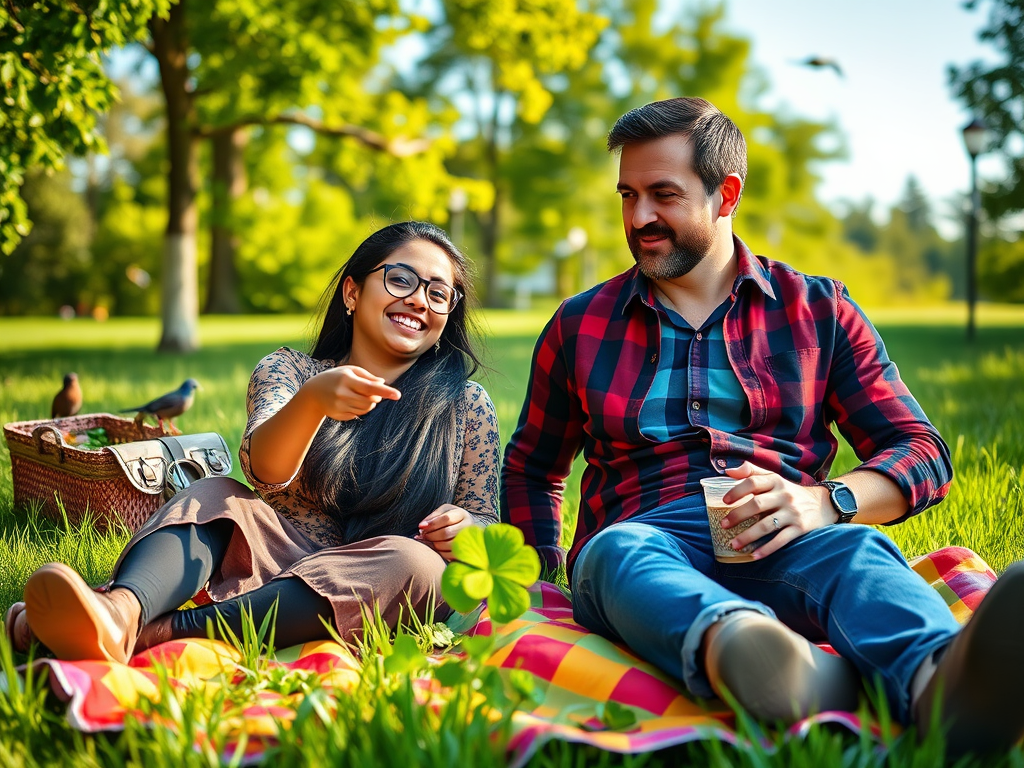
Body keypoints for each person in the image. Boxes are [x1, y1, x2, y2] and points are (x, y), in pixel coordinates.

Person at [500, 97, 1024, 756]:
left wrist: (827, 500)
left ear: (727, 195)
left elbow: (921, 452)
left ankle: (942, 692)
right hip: (641, 546)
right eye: (627, 195)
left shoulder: (819, 310)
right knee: (613, 552)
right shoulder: (580, 323)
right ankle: (752, 651)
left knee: (860, 556)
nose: (638, 218)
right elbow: (532, 467)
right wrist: (542, 583)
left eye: (663, 194)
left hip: (786, 539)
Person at [6, 221, 500, 663]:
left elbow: (485, 521)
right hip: (273, 556)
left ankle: (148, 632)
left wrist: (467, 530)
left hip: (379, 582)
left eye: (440, 293)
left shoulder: (467, 406)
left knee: (417, 563)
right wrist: (312, 402)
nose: (420, 299)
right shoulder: (290, 372)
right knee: (215, 494)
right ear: (352, 292)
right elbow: (265, 470)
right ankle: (121, 609)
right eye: (401, 279)